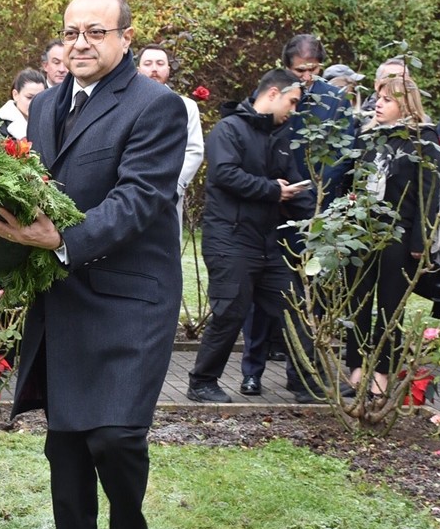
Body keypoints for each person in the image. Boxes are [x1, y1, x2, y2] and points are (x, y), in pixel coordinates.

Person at [0, 0, 188, 529]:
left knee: (115, 435)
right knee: (66, 444)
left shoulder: (157, 106)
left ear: (125, 39)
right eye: (71, 32)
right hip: (63, 296)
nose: (80, 43)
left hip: (131, 297)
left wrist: (63, 239)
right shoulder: (43, 109)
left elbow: (139, 199)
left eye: (95, 32)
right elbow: (31, 188)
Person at [186, 69, 319, 404]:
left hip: (270, 242)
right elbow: (225, 173)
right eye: (291, 102)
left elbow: (292, 183)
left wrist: (321, 216)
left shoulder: (283, 136)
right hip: (230, 239)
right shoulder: (228, 130)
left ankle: (305, 383)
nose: (293, 110)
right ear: (272, 93)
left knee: (294, 308)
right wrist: (273, 190)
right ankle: (202, 382)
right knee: (230, 312)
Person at [239, 34, 353, 390]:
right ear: (286, 66)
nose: (306, 76)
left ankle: (301, 373)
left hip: (316, 208)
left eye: (313, 69)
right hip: (275, 207)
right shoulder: (274, 94)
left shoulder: (335, 100)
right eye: (299, 69)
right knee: (262, 295)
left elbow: (345, 152)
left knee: (308, 298)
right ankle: (251, 372)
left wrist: (323, 196)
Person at [344, 75, 440, 396]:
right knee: (356, 302)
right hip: (363, 231)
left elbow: (429, 193)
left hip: (399, 235)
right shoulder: (367, 136)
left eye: (386, 99)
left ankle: (382, 374)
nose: (378, 105)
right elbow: (352, 182)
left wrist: (420, 243)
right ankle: (356, 369)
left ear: (405, 104)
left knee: (389, 306)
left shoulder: (423, 139)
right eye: (377, 98)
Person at [136, 43, 205, 230]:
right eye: (148, 63)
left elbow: (194, 150)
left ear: (168, 68)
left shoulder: (187, 106)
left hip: (169, 193)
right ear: (138, 69)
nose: (154, 69)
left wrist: (173, 185)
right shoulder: (126, 105)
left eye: (160, 63)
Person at [0, 68, 45, 140]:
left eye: (40, 98)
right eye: (29, 97)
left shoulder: (50, 123)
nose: (35, 103)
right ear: (15, 95)